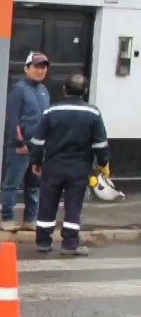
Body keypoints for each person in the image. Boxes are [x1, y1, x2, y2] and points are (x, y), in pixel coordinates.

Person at [29, 74, 109, 257]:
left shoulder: (51, 111)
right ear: (85, 91)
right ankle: (70, 244)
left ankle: (42, 241)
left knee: (47, 203)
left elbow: (38, 140)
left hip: (53, 166)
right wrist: (103, 163)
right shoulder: (93, 113)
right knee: (74, 205)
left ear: (64, 89)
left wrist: (36, 161)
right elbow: (100, 144)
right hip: (79, 169)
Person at [1, 51, 51, 232]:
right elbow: (12, 119)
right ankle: (7, 218)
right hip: (20, 148)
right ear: (26, 68)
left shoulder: (44, 91)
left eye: (43, 67)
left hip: (38, 147)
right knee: (12, 183)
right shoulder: (19, 89)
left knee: (34, 185)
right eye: (36, 67)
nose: (40, 71)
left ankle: (30, 218)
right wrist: (19, 142)